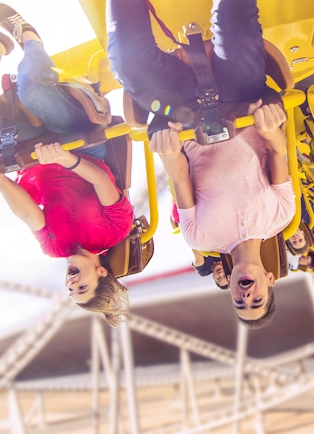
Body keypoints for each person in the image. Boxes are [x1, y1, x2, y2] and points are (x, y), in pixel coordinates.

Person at [0, 4, 134, 326]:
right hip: (77, 140)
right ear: (100, 272)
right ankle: (28, 37)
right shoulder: (113, 231)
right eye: (81, 286)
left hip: (30, 151)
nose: (71, 284)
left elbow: (29, 213)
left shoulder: (54, 249)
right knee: (31, 90)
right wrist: (67, 159)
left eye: (71, 290)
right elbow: (101, 182)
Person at [107, 0, 296, 329]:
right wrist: (270, 130)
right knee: (236, 30)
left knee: (127, 61)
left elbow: (180, 179)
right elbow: (279, 154)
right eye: (256, 300)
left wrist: (168, 154)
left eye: (239, 303)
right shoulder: (280, 216)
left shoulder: (200, 238)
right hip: (240, 100)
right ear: (270, 280)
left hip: (186, 112)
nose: (245, 296)